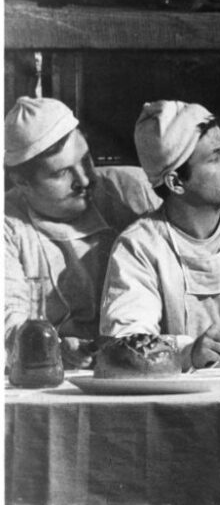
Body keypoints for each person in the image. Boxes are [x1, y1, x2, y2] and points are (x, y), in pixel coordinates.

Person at [100, 100, 220, 370]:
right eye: (215, 157)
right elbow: (126, 344)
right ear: (176, 182)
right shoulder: (140, 246)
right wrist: (186, 352)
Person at [4, 96, 159, 368]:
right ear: (21, 181)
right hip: (47, 373)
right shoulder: (7, 224)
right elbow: (7, 318)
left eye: (86, 160)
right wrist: (55, 348)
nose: (85, 180)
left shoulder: (131, 191)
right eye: (62, 173)